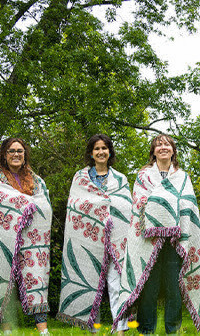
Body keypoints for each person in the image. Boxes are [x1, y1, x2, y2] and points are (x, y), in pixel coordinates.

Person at [113, 134, 200, 334]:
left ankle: (172, 329)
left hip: (176, 240)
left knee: (174, 285)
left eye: (167, 144)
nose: (163, 147)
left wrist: (166, 206)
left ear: (173, 151)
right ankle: (146, 329)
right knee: (149, 285)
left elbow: (188, 204)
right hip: (149, 239)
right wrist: (168, 203)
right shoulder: (144, 176)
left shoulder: (182, 177)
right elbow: (140, 202)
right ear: (153, 152)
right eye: (158, 145)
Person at [0, 138, 52, 334]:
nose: (16, 154)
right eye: (11, 151)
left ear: (25, 154)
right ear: (4, 154)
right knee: (4, 280)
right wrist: (26, 202)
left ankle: (43, 331)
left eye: (20, 151)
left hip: (32, 238)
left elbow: (44, 205)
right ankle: (7, 329)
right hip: (5, 236)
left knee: (37, 279)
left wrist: (28, 205)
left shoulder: (36, 180)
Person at [57, 134, 131, 333]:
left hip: (115, 240)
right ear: (91, 153)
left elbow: (126, 208)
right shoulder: (80, 178)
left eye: (104, 148)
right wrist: (100, 206)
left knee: (117, 285)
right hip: (87, 240)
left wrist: (105, 206)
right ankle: (93, 330)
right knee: (90, 285)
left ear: (109, 152)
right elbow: (75, 207)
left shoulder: (120, 179)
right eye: (97, 149)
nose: (101, 152)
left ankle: (121, 329)